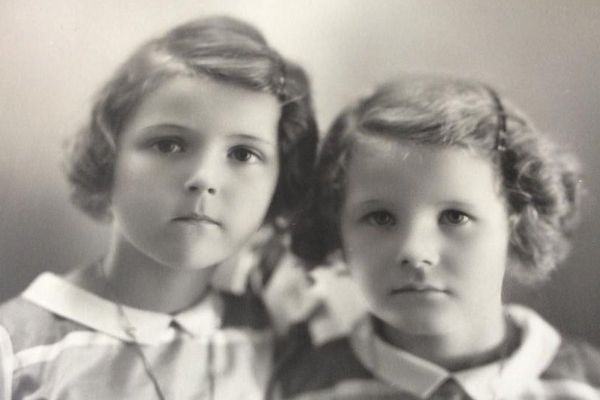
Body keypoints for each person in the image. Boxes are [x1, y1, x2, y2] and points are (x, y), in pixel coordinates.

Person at [0, 15, 318, 400]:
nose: (204, 178)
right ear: (108, 155)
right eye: (169, 145)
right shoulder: (17, 346)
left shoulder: (270, 340)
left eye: (243, 153)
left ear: (279, 181)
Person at [273, 75, 600, 399]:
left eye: (455, 217)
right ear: (337, 227)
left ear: (516, 221)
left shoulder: (584, 386)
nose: (415, 252)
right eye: (380, 217)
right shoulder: (301, 388)